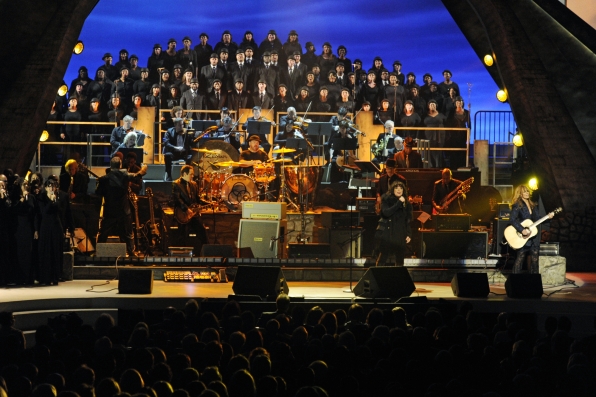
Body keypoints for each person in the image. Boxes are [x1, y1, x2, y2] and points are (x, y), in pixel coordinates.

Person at [96, 156, 147, 257]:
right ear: (120, 165)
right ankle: (131, 252)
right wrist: (144, 168)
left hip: (110, 210)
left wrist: (101, 184)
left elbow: (98, 192)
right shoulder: (125, 175)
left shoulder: (104, 179)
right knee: (128, 233)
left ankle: (99, 252)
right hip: (124, 209)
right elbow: (139, 175)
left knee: (103, 232)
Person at [37, 178, 73, 285]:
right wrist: (51, 201)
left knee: (56, 251)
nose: (52, 188)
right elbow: (43, 212)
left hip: (56, 226)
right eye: (49, 186)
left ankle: (56, 276)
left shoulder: (59, 197)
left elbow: (62, 211)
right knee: (46, 251)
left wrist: (55, 201)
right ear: (46, 187)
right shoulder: (41, 198)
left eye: (53, 186)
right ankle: (45, 277)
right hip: (45, 227)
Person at [172, 165, 209, 251]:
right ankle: (183, 254)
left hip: (193, 214)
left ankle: (206, 251)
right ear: (184, 173)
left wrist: (209, 203)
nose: (193, 176)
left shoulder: (194, 184)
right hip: (183, 214)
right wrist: (186, 209)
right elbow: (177, 199)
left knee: (202, 231)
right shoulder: (176, 184)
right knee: (183, 234)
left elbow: (198, 198)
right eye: (191, 174)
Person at [376, 181, 412, 266]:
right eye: (396, 188)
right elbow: (386, 213)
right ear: (392, 189)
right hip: (389, 233)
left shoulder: (406, 203)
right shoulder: (387, 200)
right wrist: (398, 203)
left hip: (400, 234)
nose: (399, 190)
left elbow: (407, 220)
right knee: (383, 258)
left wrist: (409, 234)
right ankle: (377, 277)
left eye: (401, 188)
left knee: (400, 260)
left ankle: (397, 278)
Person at [11, 177, 38, 285]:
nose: (26, 186)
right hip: (18, 227)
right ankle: (20, 277)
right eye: (24, 184)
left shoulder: (31, 197)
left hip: (28, 227)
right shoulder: (16, 197)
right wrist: (22, 200)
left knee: (28, 252)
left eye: (27, 184)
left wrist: (36, 229)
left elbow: (35, 213)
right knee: (19, 252)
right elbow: (14, 210)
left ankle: (28, 277)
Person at [423, 99, 447, 168]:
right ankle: (430, 166)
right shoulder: (425, 115)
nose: (432, 106)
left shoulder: (441, 115)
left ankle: (438, 166)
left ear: (436, 106)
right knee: (429, 150)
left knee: (438, 151)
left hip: (439, 135)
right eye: (431, 105)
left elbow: (446, 123)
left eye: (434, 105)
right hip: (428, 134)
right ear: (428, 106)